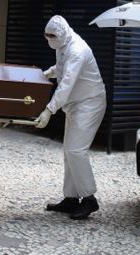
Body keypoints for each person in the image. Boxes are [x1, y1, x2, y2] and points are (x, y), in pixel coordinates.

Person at [34, 15, 107, 220]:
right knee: (69, 151)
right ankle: (71, 198)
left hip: (90, 103)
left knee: (76, 150)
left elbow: (67, 83)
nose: (50, 39)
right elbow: (61, 68)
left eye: (53, 35)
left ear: (63, 33)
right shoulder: (63, 43)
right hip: (76, 104)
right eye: (47, 35)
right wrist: (47, 73)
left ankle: (89, 199)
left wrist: (49, 110)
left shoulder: (78, 50)